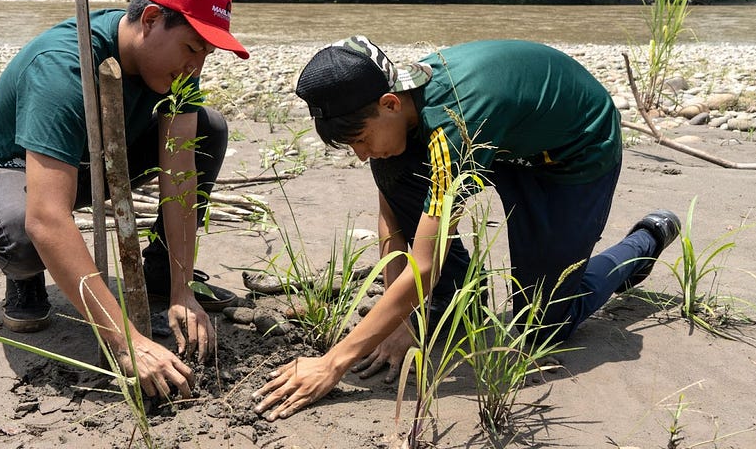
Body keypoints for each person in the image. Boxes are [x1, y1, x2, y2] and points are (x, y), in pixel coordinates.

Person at [252, 36, 681, 420]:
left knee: (544, 323)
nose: (361, 155)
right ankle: (453, 301)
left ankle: (644, 240)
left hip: (572, 150)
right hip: (507, 140)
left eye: (361, 140)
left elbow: (422, 266)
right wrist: (405, 320)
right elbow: (391, 215)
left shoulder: (450, 128)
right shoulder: (401, 105)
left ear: (389, 103)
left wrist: (332, 363)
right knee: (393, 169)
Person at [0, 0, 248, 398]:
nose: (196, 65)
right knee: (25, 229)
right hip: (6, 168)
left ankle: (163, 277)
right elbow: (47, 217)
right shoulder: (64, 68)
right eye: (191, 48)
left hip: (96, 155)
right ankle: (26, 277)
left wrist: (182, 289)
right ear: (150, 21)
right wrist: (125, 342)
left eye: (207, 54)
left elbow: (180, 173)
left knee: (209, 128)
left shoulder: (181, 68)